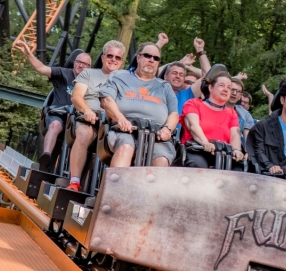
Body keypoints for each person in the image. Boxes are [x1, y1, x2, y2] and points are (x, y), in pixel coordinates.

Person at [14, 38, 91, 171]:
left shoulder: (91, 82)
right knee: (55, 125)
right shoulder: (62, 73)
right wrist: (28, 54)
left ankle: (75, 171)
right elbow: (41, 68)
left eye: (85, 64)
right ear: (74, 63)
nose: (81, 66)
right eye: (79, 62)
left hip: (77, 118)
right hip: (58, 114)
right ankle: (46, 155)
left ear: (89, 68)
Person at [99, 42, 178, 167]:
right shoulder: (119, 76)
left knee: (162, 159)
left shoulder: (164, 86)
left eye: (156, 58)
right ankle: (117, 180)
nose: (151, 60)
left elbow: (174, 113)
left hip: (156, 135)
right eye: (148, 56)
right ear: (138, 57)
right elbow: (106, 100)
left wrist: (167, 129)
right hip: (124, 130)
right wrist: (120, 118)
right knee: (126, 147)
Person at [66, 39, 126, 191]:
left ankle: (114, 190)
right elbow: (76, 96)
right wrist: (87, 110)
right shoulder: (89, 73)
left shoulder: (126, 80)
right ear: (103, 57)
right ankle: (74, 181)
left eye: (117, 57)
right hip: (90, 120)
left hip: (113, 123)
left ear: (121, 61)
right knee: (84, 134)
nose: (113, 60)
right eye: (110, 56)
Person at [180, 74, 244, 167]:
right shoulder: (193, 103)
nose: (226, 89)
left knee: (239, 169)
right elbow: (193, 126)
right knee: (198, 165)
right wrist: (205, 142)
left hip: (222, 154)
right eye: (221, 85)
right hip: (197, 150)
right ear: (210, 88)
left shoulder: (232, 113)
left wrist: (236, 150)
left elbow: (235, 134)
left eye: (229, 87)